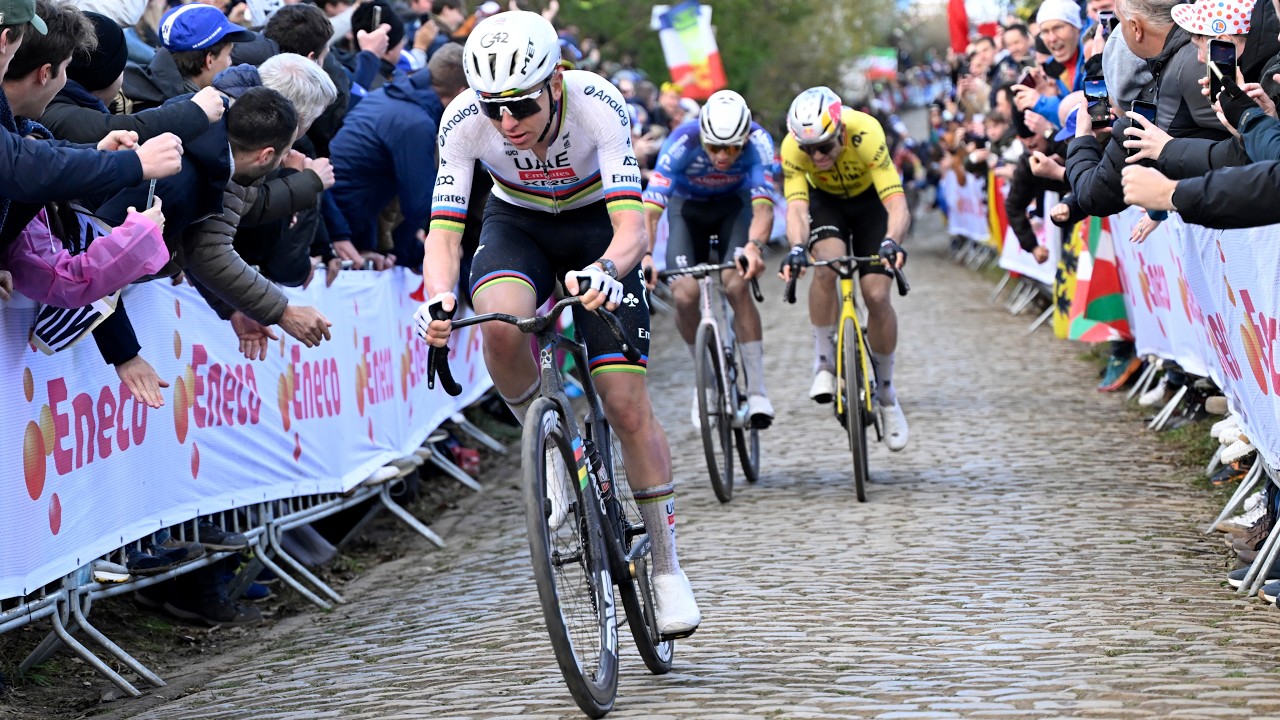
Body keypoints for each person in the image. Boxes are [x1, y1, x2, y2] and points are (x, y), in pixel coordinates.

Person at [414, 11, 700, 639]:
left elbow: (633, 228)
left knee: (624, 405)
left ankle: (667, 568)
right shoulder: (462, 121)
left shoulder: (598, 104)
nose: (507, 122)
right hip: (518, 224)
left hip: (599, 225)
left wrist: (607, 270)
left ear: (556, 81)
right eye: (493, 108)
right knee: (500, 326)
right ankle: (547, 447)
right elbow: (445, 233)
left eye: (520, 105)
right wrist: (437, 297)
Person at [777, 86, 912, 451]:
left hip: (870, 204)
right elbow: (795, 207)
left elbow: (896, 201)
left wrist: (892, 240)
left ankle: (887, 394)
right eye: (809, 150)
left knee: (877, 295)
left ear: (840, 132)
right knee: (826, 266)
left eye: (824, 147)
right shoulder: (793, 148)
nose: (816, 156)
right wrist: (796, 247)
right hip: (827, 204)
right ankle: (824, 363)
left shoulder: (866, 131)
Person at [640, 89, 774, 428]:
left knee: (736, 284)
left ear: (745, 139)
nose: (722, 156)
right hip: (688, 211)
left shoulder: (759, 142)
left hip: (735, 209)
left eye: (732, 148)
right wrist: (645, 255)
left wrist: (754, 247)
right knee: (685, 295)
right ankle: (708, 381)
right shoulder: (682, 140)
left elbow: (762, 208)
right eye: (714, 147)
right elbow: (651, 211)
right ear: (702, 136)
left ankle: (757, 390)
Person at [329, 43, 466, 270]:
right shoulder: (416, 123)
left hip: (337, 219)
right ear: (461, 94)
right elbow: (418, 206)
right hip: (343, 230)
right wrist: (413, 251)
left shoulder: (385, 94)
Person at [122, 3, 254, 111]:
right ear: (209, 60)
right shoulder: (193, 116)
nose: (230, 63)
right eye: (229, 55)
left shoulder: (145, 89)